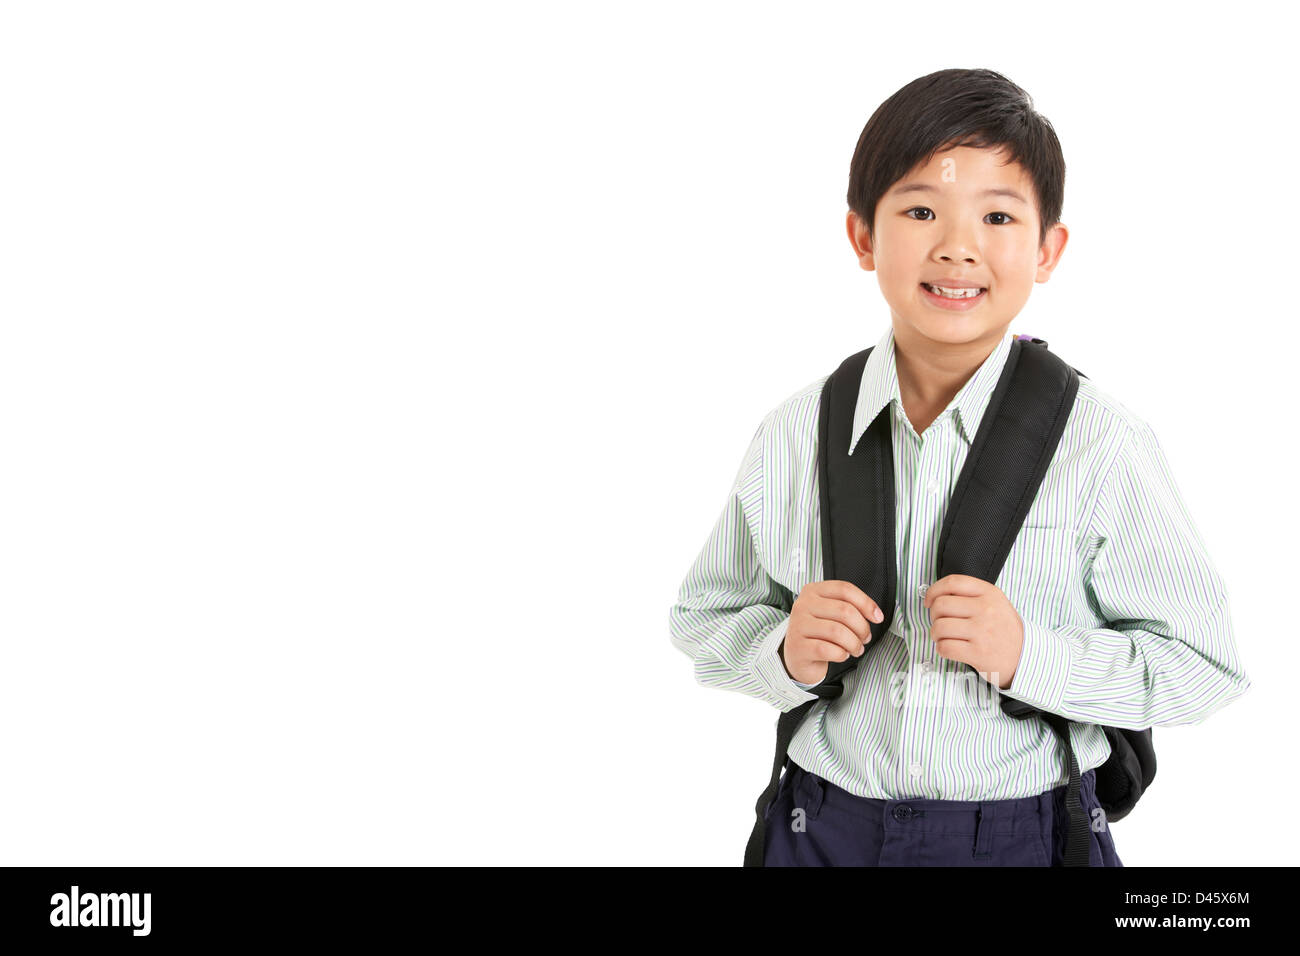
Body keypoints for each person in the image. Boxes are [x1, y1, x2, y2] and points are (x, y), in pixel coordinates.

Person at [667, 67, 1252, 866]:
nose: (957, 247)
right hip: (821, 826)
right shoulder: (796, 431)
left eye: (998, 216)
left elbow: (1205, 664)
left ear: (1048, 250)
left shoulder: (1101, 443)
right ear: (862, 237)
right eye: (919, 210)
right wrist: (784, 652)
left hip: (1025, 834)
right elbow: (705, 615)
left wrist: (1028, 655)